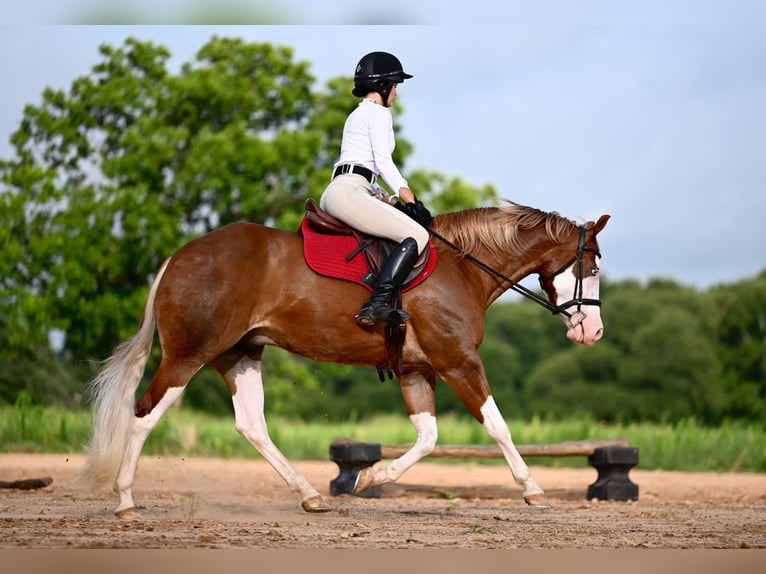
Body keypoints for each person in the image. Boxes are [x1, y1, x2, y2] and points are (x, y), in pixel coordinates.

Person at [320, 51, 432, 327]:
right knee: (417, 234)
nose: (396, 92)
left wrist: (390, 200)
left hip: (344, 189)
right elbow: (383, 161)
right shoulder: (379, 113)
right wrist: (411, 198)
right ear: (383, 85)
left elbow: (365, 169)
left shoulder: (357, 114)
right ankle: (377, 304)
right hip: (350, 191)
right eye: (395, 85)